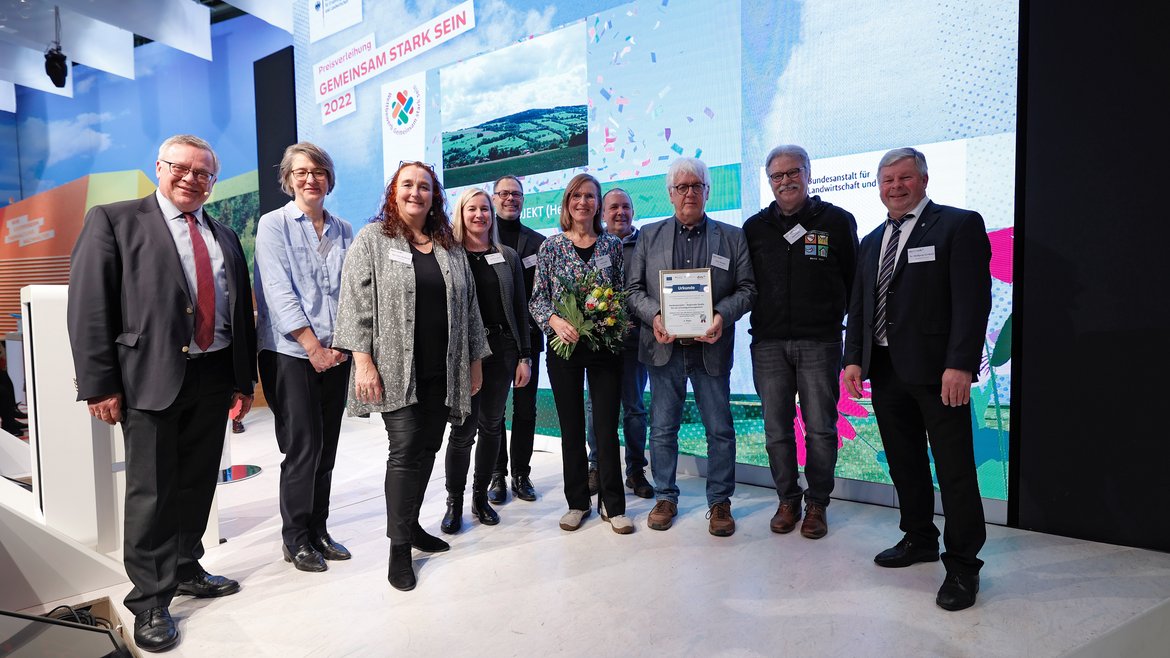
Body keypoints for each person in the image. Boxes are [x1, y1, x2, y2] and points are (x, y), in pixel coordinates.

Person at [66, 134, 256, 652]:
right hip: (147, 378)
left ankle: (186, 567)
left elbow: (239, 314)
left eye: (204, 173)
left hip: (213, 376)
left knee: (197, 484)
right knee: (151, 493)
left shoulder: (225, 235)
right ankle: (150, 601)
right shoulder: (114, 219)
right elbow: (89, 308)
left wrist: (242, 381)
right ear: (159, 167)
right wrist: (99, 384)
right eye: (183, 168)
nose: (192, 179)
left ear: (213, 183)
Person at [843, 147, 992, 611]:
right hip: (885, 371)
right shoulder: (871, 240)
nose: (895, 187)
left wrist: (962, 363)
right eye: (886, 180)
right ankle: (919, 537)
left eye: (904, 178)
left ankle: (964, 566)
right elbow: (860, 306)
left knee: (955, 470)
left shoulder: (957, 225)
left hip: (939, 373)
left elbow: (973, 301)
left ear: (924, 180)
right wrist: (853, 360)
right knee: (904, 462)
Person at [333, 161, 489, 592]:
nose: (415, 193)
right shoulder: (373, 240)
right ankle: (399, 548)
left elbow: (470, 306)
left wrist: (475, 360)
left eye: (424, 186)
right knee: (404, 451)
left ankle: (414, 526)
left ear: (434, 195)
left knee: (427, 449)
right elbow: (354, 305)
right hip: (397, 371)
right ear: (393, 192)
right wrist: (362, 362)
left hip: (445, 369)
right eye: (407, 185)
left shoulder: (449, 245)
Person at [627, 157, 756, 537]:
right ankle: (665, 496)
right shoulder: (648, 236)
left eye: (696, 186)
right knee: (663, 429)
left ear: (707, 191)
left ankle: (720, 502)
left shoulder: (732, 237)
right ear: (670, 194)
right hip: (663, 348)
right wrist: (655, 317)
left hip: (710, 348)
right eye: (681, 187)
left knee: (720, 429)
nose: (689, 193)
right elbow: (633, 292)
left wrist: (719, 316)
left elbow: (748, 289)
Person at [744, 145, 858, 539]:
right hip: (769, 344)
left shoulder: (838, 222)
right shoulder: (754, 228)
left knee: (820, 430)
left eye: (793, 172)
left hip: (820, 343)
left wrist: (832, 320)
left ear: (809, 174)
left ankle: (818, 505)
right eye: (777, 175)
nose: (786, 181)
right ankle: (788, 498)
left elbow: (854, 283)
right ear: (769, 181)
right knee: (776, 429)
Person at [254, 142, 354, 573]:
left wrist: (343, 345)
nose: (310, 178)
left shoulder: (346, 230)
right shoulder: (273, 225)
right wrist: (312, 346)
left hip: (337, 352)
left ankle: (319, 530)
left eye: (318, 171)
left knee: (327, 447)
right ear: (288, 179)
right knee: (303, 448)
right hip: (292, 352)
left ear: (329, 178)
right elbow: (277, 291)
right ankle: (295, 538)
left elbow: (354, 291)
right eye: (301, 172)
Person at [529, 173, 632, 534]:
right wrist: (555, 321)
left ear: (598, 204)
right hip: (565, 348)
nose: (583, 202)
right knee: (572, 428)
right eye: (577, 196)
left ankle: (612, 504)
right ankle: (577, 503)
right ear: (567, 203)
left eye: (590, 197)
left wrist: (614, 321)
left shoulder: (611, 248)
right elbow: (538, 300)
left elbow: (619, 295)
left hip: (604, 348)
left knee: (605, 428)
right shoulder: (551, 247)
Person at [441, 188, 532, 533]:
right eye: (472, 209)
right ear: (461, 214)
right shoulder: (449, 256)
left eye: (484, 209)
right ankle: (454, 503)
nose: (479, 215)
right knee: (463, 431)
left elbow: (519, 309)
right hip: (465, 355)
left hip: (504, 352)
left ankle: (480, 498)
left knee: (493, 424)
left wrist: (524, 356)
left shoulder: (506, 255)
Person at [584, 188, 653, 499]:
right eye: (613, 207)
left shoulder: (648, 245)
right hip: (599, 344)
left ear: (633, 211)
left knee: (635, 409)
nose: (620, 213)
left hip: (636, 343)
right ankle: (596, 466)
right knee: (593, 408)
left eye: (626, 206)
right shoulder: (593, 245)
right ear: (602, 212)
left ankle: (635, 470)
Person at [487, 175, 545, 504]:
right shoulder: (480, 239)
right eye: (504, 193)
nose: (511, 198)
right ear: (494, 198)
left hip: (528, 339)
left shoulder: (537, 242)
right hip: (492, 341)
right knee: (494, 412)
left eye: (517, 194)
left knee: (526, 409)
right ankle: (497, 474)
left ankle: (521, 474)